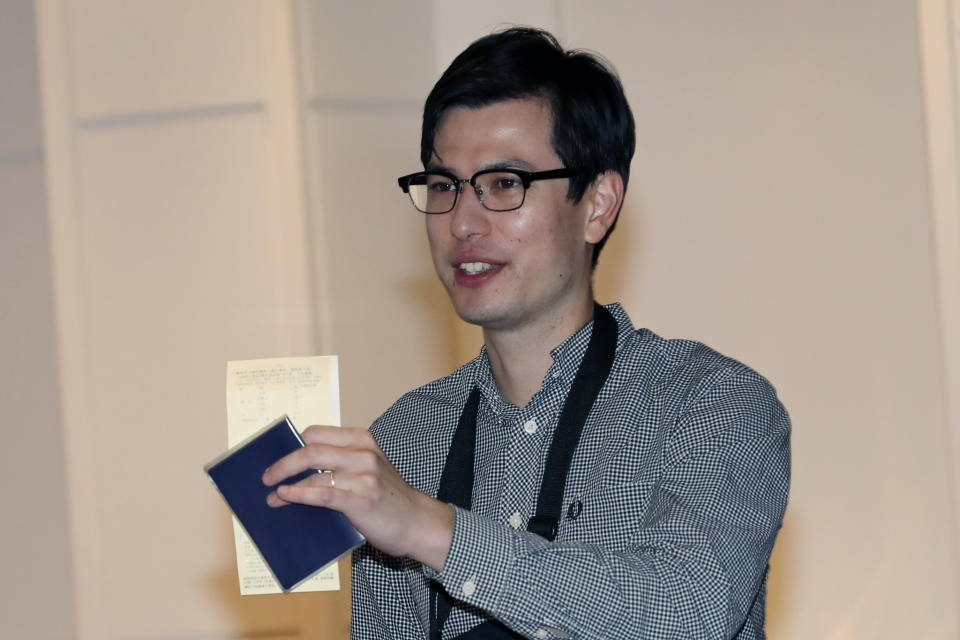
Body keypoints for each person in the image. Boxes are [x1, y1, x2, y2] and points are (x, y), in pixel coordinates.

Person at [262, 27, 790, 640]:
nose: (463, 222)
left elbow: (686, 615)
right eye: (444, 186)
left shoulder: (712, 403)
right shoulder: (404, 439)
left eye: (505, 184)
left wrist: (431, 530)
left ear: (597, 204)